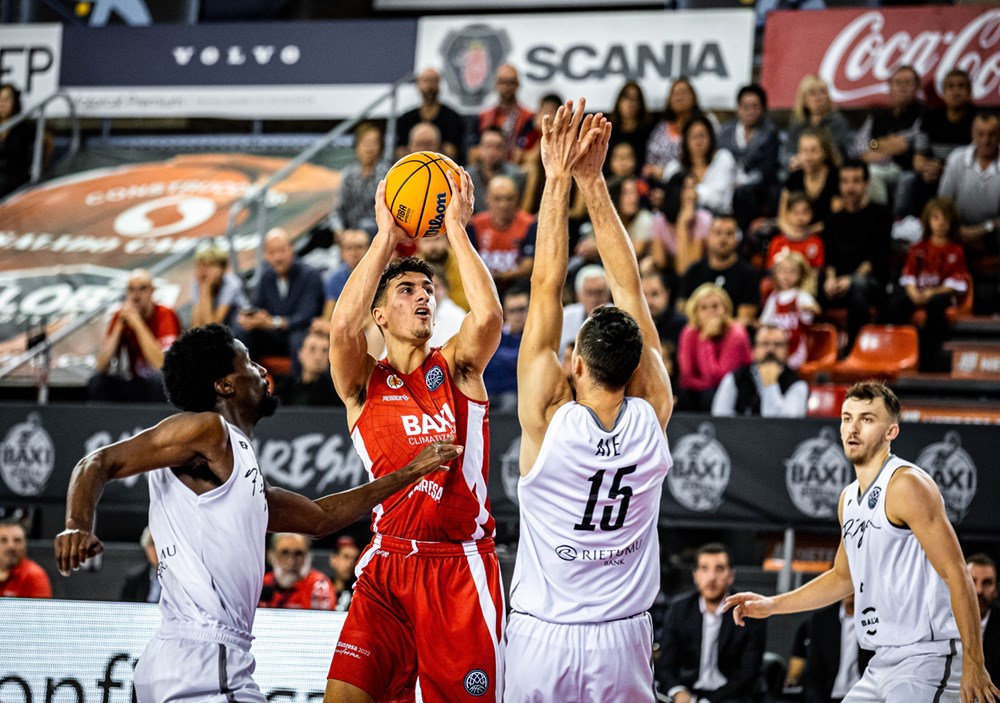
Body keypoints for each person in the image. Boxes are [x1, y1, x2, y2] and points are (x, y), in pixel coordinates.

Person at [55, 323, 460, 703]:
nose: (262, 369)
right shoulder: (205, 430)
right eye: (248, 361)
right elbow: (97, 462)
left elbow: (320, 519)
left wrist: (407, 472)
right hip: (204, 658)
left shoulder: (237, 466)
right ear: (225, 385)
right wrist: (76, 525)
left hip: (195, 655)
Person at [505, 98, 672, 702]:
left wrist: (556, 181)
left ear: (575, 363)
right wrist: (595, 185)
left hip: (541, 635)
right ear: (638, 369)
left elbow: (544, 282)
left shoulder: (548, 418)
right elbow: (629, 285)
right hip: (620, 640)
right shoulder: (653, 412)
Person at [325, 166, 505, 702]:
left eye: (428, 288)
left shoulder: (456, 369)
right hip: (386, 568)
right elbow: (341, 328)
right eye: (407, 289)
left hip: (459, 569)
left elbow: (489, 314)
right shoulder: (362, 384)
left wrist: (456, 229)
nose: (423, 295)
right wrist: (385, 238)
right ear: (378, 314)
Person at [724, 381, 1000, 703]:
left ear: (891, 432)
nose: (853, 428)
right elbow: (843, 577)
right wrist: (773, 605)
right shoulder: (848, 499)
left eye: (867, 419)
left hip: (926, 658)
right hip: (880, 661)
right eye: (846, 417)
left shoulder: (907, 485)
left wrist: (974, 662)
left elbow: (957, 573)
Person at [657, 543, 766, 703]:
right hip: (689, 692)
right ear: (696, 575)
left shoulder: (749, 612)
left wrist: (707, 701)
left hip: (731, 696)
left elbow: (747, 675)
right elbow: (666, 665)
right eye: (704, 568)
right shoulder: (679, 609)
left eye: (719, 569)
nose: (711, 577)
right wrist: (678, 691)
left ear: (731, 575)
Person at [883, 198, 969, 372]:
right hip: (918, 294)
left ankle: (927, 359)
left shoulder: (956, 250)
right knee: (895, 305)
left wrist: (931, 293)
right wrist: (914, 294)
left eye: (945, 219)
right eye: (936, 218)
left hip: (940, 296)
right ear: (928, 220)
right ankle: (891, 353)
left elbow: (955, 283)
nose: (941, 223)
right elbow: (908, 276)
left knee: (937, 305)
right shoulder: (918, 248)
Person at [821, 161, 893, 350]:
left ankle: (855, 348)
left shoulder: (881, 214)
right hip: (838, 282)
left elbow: (877, 257)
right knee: (811, 282)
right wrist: (830, 279)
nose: (850, 187)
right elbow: (829, 257)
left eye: (856, 181)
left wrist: (851, 279)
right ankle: (815, 349)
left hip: (870, 282)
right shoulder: (833, 219)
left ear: (866, 183)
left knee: (858, 287)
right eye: (845, 182)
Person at [237, 227, 325, 373]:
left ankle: (299, 390)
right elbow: (256, 306)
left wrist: (273, 322)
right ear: (266, 256)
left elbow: (306, 317)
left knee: (298, 339)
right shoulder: (266, 277)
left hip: (301, 332)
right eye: (272, 253)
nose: (277, 258)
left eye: (282, 251)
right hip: (274, 336)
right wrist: (250, 319)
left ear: (292, 249)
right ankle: (246, 382)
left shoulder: (310, 275)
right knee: (242, 332)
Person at [89, 269, 181, 403]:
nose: (136, 296)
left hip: (161, 386)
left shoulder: (164, 314)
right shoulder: (121, 316)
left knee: (159, 381)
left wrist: (137, 324)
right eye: (131, 290)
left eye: (142, 289)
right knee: (98, 382)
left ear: (152, 291)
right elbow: (101, 365)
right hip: (137, 382)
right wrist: (119, 327)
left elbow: (162, 365)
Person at [899, 69, 974, 219]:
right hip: (934, 172)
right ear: (943, 92)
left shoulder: (977, 119)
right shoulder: (930, 118)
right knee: (911, 180)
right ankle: (910, 225)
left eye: (961, 86)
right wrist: (927, 167)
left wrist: (945, 169)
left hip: (967, 173)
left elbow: (983, 158)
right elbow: (918, 158)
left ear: (969, 91)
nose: (956, 91)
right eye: (950, 87)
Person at [853, 65, 925, 207]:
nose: (902, 88)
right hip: (875, 166)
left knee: (872, 174)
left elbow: (904, 144)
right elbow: (859, 145)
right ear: (890, 86)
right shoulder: (879, 114)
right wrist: (879, 145)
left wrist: (875, 146)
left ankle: (882, 217)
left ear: (917, 87)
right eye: (897, 83)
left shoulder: (923, 114)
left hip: (903, 169)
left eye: (908, 83)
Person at [677, 283, 753, 412]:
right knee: (682, 396)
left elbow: (719, 379)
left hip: (736, 389)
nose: (710, 312)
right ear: (695, 312)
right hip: (702, 389)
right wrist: (703, 384)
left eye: (715, 306)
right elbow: (687, 377)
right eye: (704, 308)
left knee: (710, 395)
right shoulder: (689, 332)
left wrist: (705, 340)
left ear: (726, 308)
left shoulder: (736, 333)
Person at [717, 83, 781, 232]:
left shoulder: (770, 133)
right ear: (738, 108)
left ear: (763, 109)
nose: (750, 112)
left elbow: (768, 168)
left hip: (758, 189)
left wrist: (744, 182)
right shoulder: (725, 132)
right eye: (745, 107)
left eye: (755, 107)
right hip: (727, 184)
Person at [678, 215, 760, 326]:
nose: (723, 239)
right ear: (708, 237)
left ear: (737, 239)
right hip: (697, 335)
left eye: (729, 234)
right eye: (718, 233)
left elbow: (744, 319)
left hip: (731, 337)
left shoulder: (748, 274)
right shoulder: (694, 271)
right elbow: (683, 310)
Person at [711, 324, 808, 417]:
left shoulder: (797, 385)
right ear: (754, 350)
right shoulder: (734, 378)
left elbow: (784, 426)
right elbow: (720, 418)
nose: (771, 349)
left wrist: (770, 384)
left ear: (787, 350)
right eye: (764, 344)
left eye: (778, 345)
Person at [467, 174, 537, 288]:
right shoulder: (474, 226)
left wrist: (499, 276)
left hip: (517, 287)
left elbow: (529, 267)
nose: (503, 205)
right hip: (482, 287)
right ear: (487, 198)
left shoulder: (529, 225)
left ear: (517, 198)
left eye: (509, 199)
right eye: (497, 198)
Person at [801, 594, 874, 703]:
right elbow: (813, 670)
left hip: (867, 697)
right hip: (829, 696)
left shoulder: (877, 619)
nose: (849, 589)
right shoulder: (821, 619)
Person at [760, 250, 821, 370]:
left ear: (801, 275)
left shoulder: (801, 295)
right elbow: (764, 322)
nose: (786, 276)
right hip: (777, 344)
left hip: (796, 345)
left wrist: (807, 309)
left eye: (792, 272)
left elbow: (815, 309)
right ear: (775, 273)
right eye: (782, 271)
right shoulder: (774, 297)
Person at [783, 75, 854, 174]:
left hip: (830, 171)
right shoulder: (797, 122)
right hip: (801, 169)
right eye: (813, 94)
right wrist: (792, 160)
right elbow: (788, 151)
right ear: (804, 99)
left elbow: (840, 154)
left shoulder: (837, 121)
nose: (818, 98)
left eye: (822, 93)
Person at [331, 122, 391, 235]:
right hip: (350, 232)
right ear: (357, 146)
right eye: (366, 143)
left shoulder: (387, 174)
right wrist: (339, 230)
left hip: (377, 231)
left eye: (374, 143)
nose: (370, 148)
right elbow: (338, 209)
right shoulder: (349, 174)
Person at [395, 68, 466, 162]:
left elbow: (453, 151)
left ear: (439, 84)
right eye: (426, 81)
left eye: (433, 81)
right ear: (418, 84)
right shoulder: (406, 119)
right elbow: (400, 151)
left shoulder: (452, 117)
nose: (429, 86)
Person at [781, 128, 841, 232]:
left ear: (825, 152)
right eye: (804, 151)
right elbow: (782, 217)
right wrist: (793, 235)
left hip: (828, 233)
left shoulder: (835, 177)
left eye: (814, 151)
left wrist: (807, 233)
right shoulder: (795, 177)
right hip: (796, 233)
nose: (808, 157)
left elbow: (837, 216)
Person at [259, 532, 334, 610]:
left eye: (298, 554)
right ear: (271, 555)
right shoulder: (262, 583)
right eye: (284, 553)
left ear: (309, 556)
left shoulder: (319, 587)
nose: (291, 562)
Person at [483, 283, 528, 412]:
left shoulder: (535, 336)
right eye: (512, 311)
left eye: (521, 309)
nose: (517, 316)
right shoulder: (496, 335)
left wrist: (499, 357)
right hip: (489, 391)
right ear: (505, 312)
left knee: (510, 403)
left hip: (517, 395)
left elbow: (522, 360)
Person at [478, 64, 534, 163]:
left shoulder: (529, 117)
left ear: (517, 85)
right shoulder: (484, 116)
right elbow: (474, 151)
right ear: (496, 85)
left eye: (511, 82)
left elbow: (529, 152)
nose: (507, 87)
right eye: (502, 82)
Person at [467, 127, 526, 213]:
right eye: (488, 146)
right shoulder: (467, 176)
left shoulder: (517, 175)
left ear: (505, 150)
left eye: (498, 147)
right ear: (479, 149)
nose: (492, 152)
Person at [191, 245, 248, 330]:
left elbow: (212, 328)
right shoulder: (199, 283)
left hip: (237, 326)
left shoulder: (231, 284)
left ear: (221, 269)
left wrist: (206, 291)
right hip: (218, 328)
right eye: (199, 266)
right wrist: (202, 289)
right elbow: (195, 326)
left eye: (207, 266)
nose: (202, 271)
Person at [278, 331, 342, 406]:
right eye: (312, 349)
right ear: (300, 354)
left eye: (324, 351)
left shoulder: (337, 392)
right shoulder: (285, 389)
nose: (318, 357)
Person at [559, 263, 612, 353]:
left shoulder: (619, 318)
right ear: (578, 295)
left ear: (608, 294)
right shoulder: (565, 316)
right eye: (589, 293)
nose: (594, 299)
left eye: (599, 292)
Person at [767, 192, 825, 271]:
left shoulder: (816, 242)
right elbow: (771, 270)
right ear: (787, 214)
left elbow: (818, 271)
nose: (800, 218)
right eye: (795, 212)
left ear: (812, 214)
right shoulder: (778, 242)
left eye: (805, 212)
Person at [0, 83, 36, 198]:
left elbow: (47, 142)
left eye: (6, 99)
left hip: (14, 181)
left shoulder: (23, 127)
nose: (2, 104)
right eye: (0, 99)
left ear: (15, 102)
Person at [967, 554, 1000, 683]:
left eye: (987, 583)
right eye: (971, 581)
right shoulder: (938, 625)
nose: (979, 590)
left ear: (996, 590)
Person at [0, 519, 51, 598]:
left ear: (25, 545)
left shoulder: (35, 576)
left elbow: (40, 610)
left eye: (17, 540)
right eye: (3, 540)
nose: (11, 546)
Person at [119, 526, 160, 603]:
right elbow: (124, 610)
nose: (158, 549)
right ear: (146, 548)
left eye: (161, 543)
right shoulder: (134, 579)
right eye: (153, 544)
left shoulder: (180, 579)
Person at [330, 535, 361, 611]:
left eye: (355, 559)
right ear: (333, 559)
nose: (351, 563)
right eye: (346, 557)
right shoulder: (321, 589)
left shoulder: (361, 593)